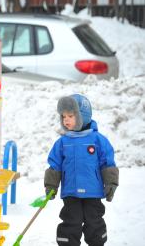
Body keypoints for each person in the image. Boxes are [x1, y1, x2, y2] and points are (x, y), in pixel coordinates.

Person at [44, 94, 119, 246]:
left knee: (94, 222)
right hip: (71, 192)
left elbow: (107, 162)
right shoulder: (63, 142)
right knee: (71, 222)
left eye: (71, 116)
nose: (66, 120)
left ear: (83, 116)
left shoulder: (98, 140)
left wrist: (111, 183)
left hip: (93, 192)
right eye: (63, 116)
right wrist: (51, 186)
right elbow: (55, 165)